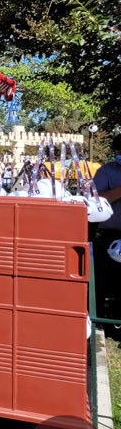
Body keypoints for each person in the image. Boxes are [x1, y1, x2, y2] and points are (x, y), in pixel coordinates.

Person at [92, 134, 121, 319]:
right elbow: (98, 201)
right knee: (108, 278)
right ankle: (104, 315)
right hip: (111, 233)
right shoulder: (105, 172)